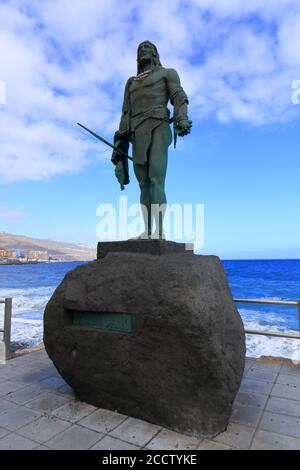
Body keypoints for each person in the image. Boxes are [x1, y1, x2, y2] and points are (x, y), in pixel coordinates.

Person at [112, 40, 192, 239]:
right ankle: (147, 231)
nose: (143, 50)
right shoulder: (131, 82)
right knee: (143, 183)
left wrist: (181, 118)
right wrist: (120, 142)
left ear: (155, 53)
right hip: (136, 132)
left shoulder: (167, 73)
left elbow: (179, 96)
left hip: (158, 124)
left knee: (156, 179)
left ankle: (160, 231)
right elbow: (125, 112)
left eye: (147, 48)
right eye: (139, 49)